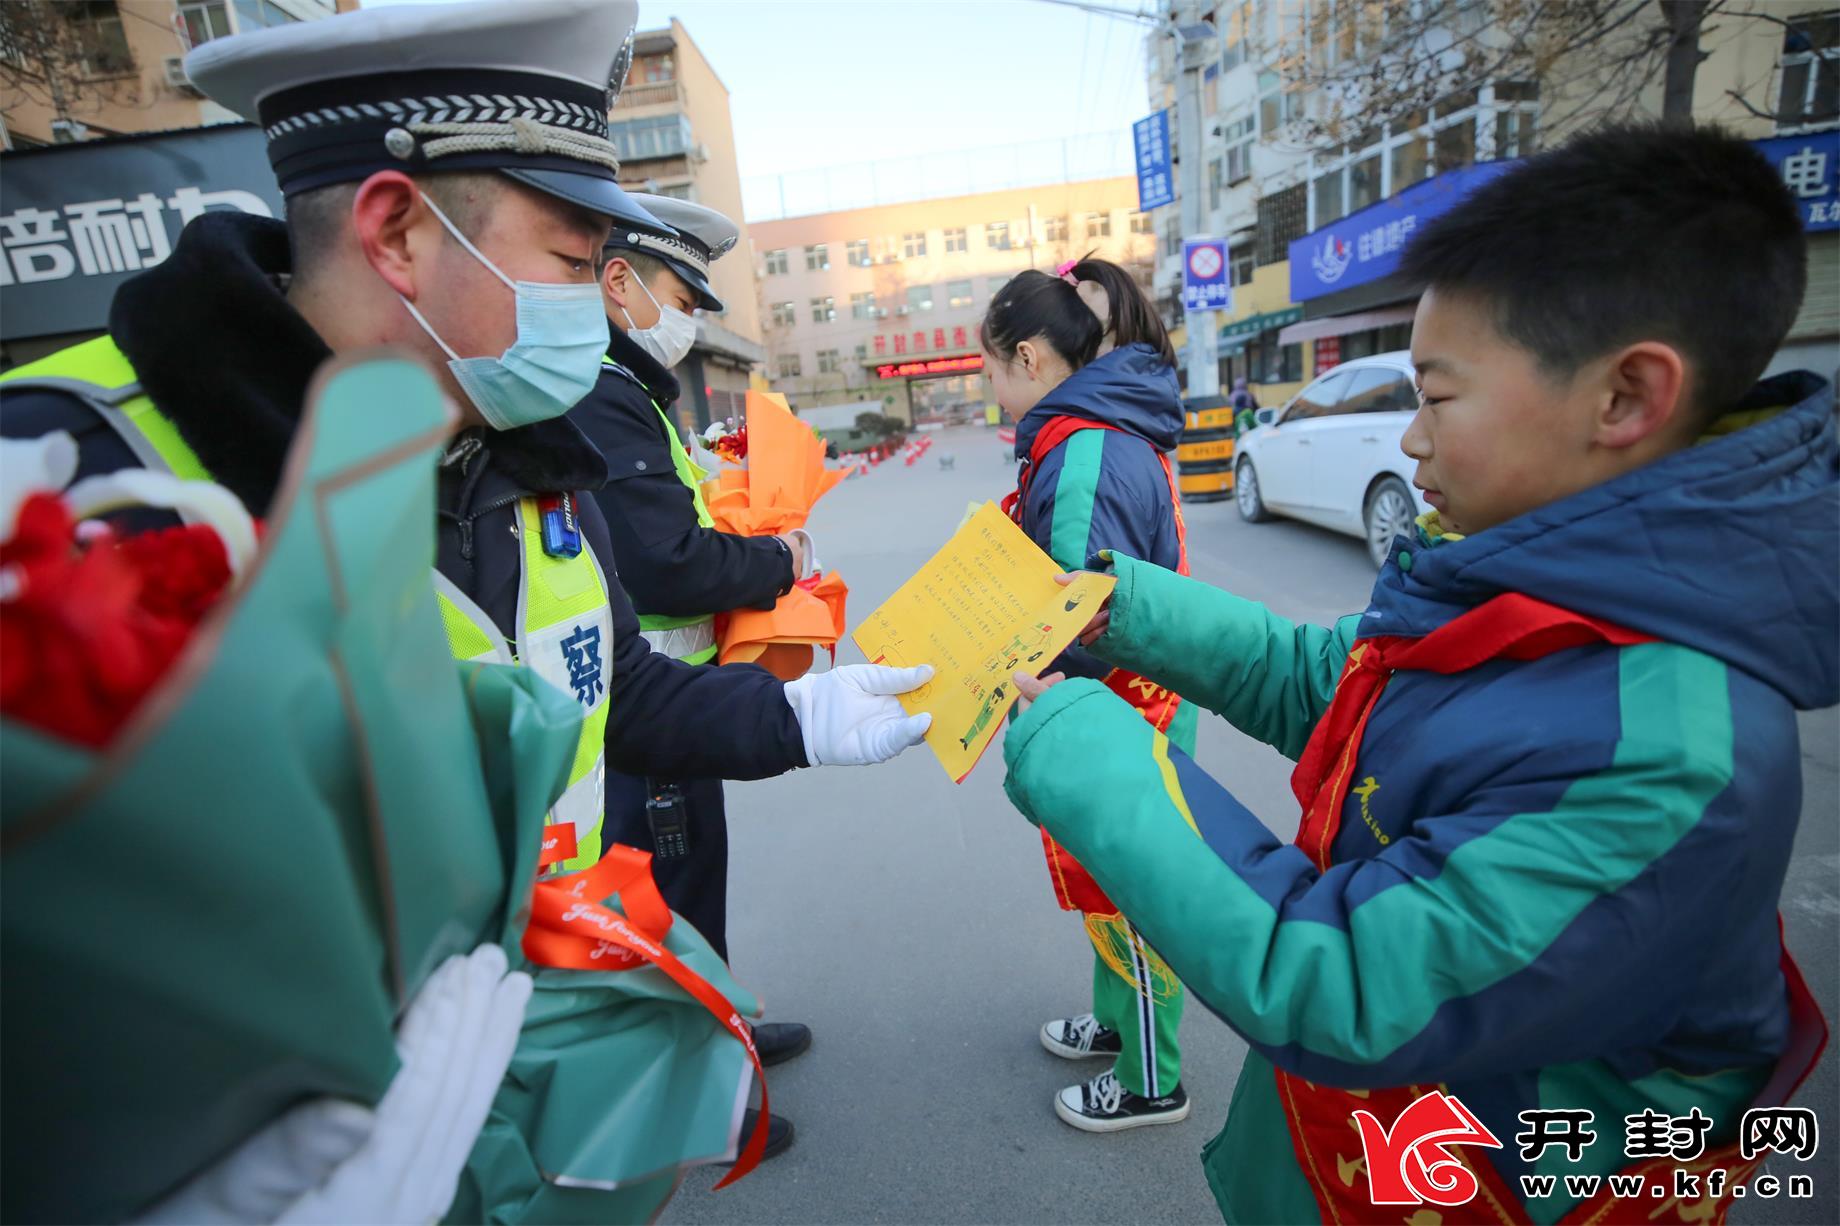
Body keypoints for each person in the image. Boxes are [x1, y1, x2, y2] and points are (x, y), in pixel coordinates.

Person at [0, 0, 931, 1201]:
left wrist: (797, 718)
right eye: (565, 262)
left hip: (536, 1111)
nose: (592, 310)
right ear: (398, 230)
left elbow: (616, 691)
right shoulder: (71, 471)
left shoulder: (527, 457)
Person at [1004, 124, 1834, 1223]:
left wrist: (1076, 741)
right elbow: (1339, 684)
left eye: (1435, 398)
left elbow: (1342, 981)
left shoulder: (1673, 750)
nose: (1406, 444)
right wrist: (1127, 605)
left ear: (1626, 397)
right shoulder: (1539, 573)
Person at [568, 194, 813, 1150]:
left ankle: (723, 1034)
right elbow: (664, 561)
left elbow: (662, 519)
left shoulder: (628, 392)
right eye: (682, 294)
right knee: (662, 903)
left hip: (673, 703)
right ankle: (695, 1101)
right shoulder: (602, 390)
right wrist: (780, 561)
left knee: (692, 886)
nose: (694, 319)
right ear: (619, 283)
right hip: (645, 716)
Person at [983, 256, 1197, 1132]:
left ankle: (1154, 1079)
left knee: (1129, 888)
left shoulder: (1085, 449)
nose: (989, 386)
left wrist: (1019, 687)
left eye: (990, 367)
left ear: (1030, 358)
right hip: (1134, 697)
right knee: (1109, 877)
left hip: (1109, 705)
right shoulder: (1101, 431)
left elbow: (1075, 606)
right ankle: (1118, 1023)